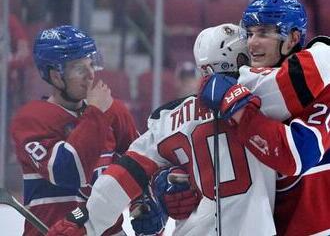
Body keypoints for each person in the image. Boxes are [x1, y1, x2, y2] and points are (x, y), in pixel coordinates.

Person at [47, 23, 278, 236]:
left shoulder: (170, 117)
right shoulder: (267, 99)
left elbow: (124, 173)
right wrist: (162, 183)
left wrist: (84, 219)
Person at [199, 0, 330, 236]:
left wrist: (239, 110)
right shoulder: (243, 87)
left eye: (263, 33)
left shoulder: (323, 86)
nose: (252, 43)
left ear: (293, 37)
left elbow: (297, 155)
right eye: (249, 34)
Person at [10, 25, 139, 236]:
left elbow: (141, 162)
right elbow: (68, 172)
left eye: (91, 64)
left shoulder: (114, 111)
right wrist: (96, 113)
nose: (90, 75)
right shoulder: (31, 120)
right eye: (79, 68)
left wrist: (144, 202)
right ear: (55, 76)